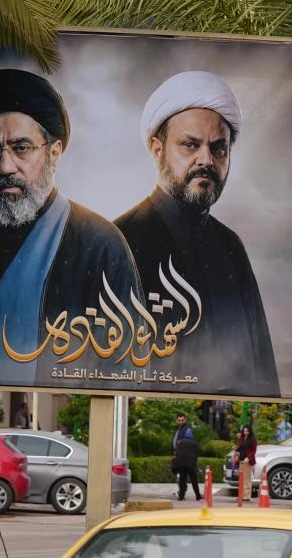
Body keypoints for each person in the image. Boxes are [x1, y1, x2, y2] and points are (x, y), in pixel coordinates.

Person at [0, 69, 141, 385]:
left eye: (21, 148)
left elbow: (124, 372)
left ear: (54, 154)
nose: (5, 167)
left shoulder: (101, 246)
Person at [115, 71, 279, 397]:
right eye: (190, 145)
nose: (206, 160)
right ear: (157, 149)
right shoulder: (118, 242)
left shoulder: (231, 247)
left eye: (219, 149)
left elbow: (262, 371)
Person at [171, 413, 200, 501]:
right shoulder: (178, 430)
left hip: (183, 459)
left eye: (182, 420)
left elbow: (188, 446)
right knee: (191, 478)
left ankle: (182, 495)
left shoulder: (186, 430)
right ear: (177, 421)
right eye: (179, 420)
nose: (181, 422)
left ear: (185, 420)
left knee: (183, 479)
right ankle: (196, 495)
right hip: (186, 459)